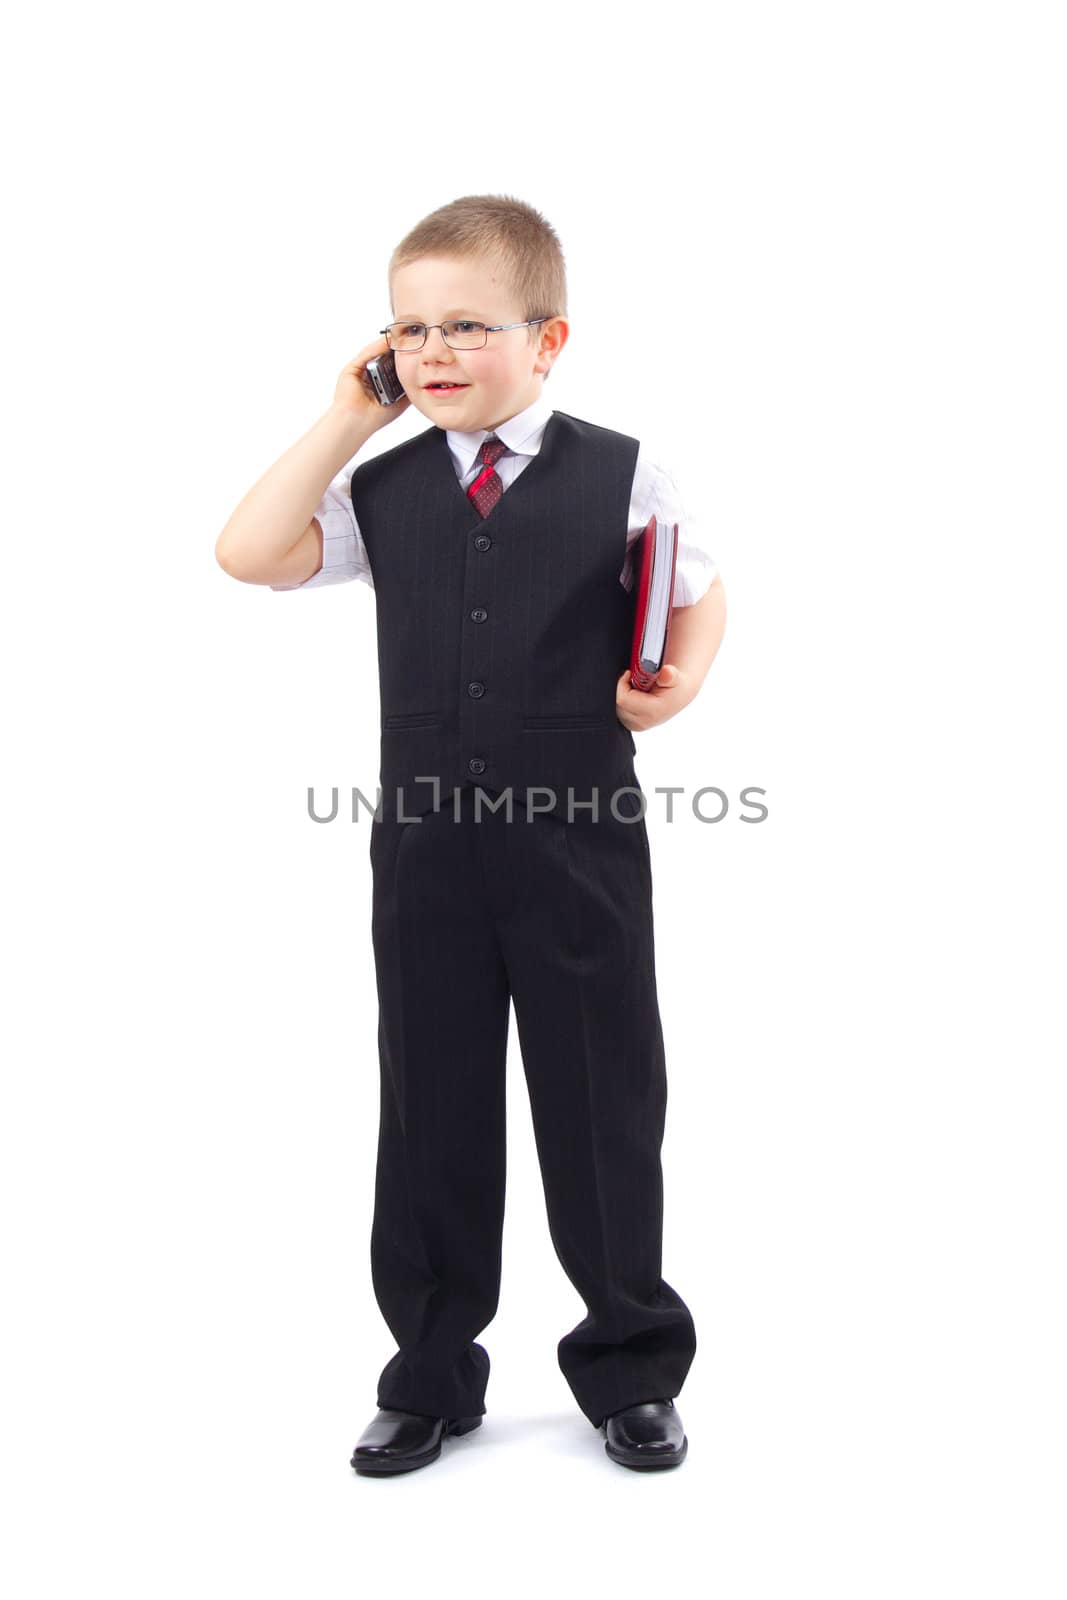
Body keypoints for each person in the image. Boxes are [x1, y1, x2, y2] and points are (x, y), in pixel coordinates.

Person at [215, 193, 727, 1476]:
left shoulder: (623, 465)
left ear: (548, 340)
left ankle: (628, 1359)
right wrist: (347, 412)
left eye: (467, 326)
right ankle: (432, 1370)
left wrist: (677, 681)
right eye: (409, 329)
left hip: (577, 841)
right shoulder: (379, 486)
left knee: (601, 1100)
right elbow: (244, 551)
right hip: (428, 850)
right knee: (431, 1103)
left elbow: (703, 588)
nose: (434, 351)